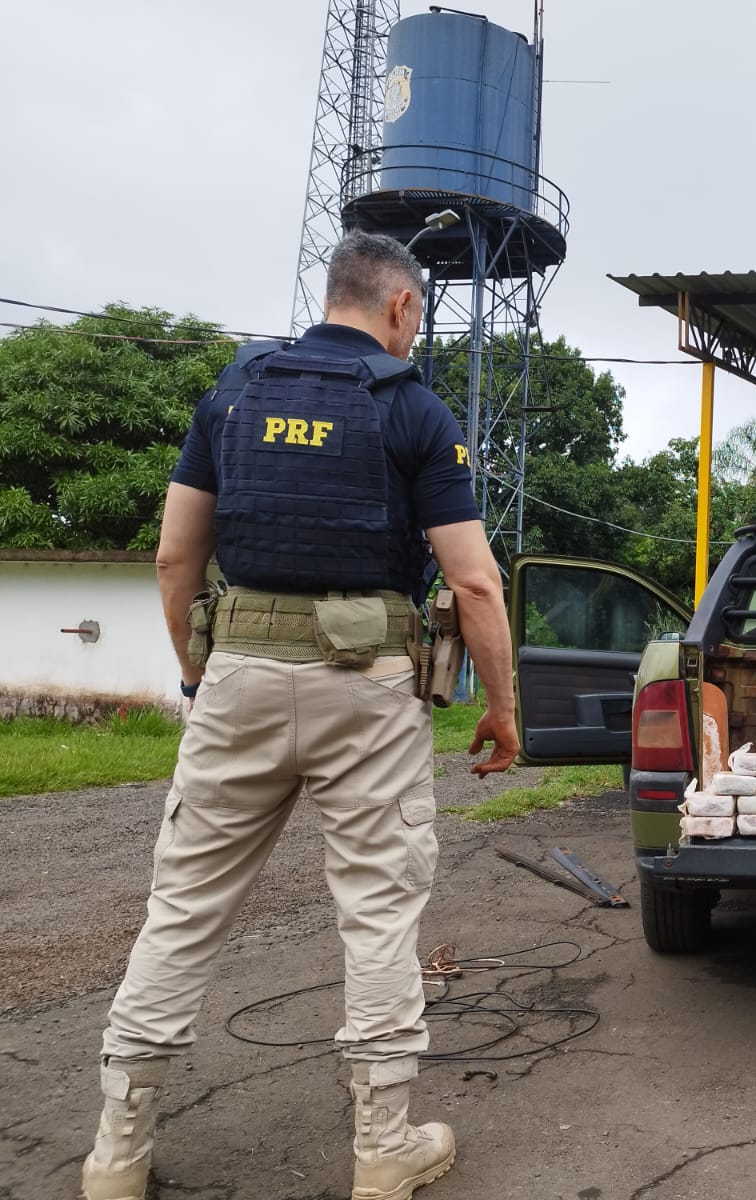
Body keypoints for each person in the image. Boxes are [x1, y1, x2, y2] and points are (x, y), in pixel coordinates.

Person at [80, 230, 520, 1200]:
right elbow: (475, 585)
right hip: (368, 688)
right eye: (418, 318)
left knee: (181, 914)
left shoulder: (233, 393)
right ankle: (383, 1149)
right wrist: (502, 708)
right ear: (401, 307)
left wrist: (201, 676)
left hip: (236, 671)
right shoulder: (412, 408)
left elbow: (172, 560)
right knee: (376, 914)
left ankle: (115, 1157)